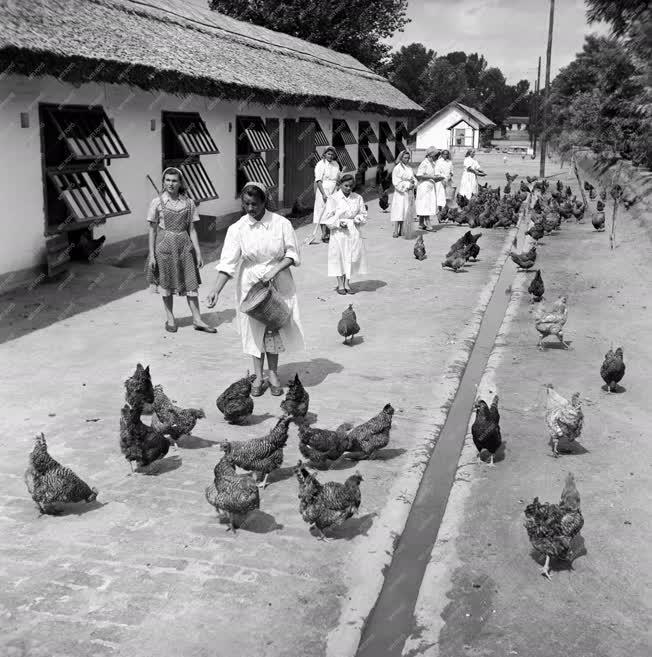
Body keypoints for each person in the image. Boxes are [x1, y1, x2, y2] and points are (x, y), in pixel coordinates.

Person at [207, 182, 304, 397]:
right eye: (246, 204)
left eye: (255, 204)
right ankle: (258, 376)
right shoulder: (237, 228)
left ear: (264, 202)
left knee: (274, 325)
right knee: (254, 330)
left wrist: (274, 271)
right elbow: (227, 263)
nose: (250, 209)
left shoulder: (281, 223)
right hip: (250, 283)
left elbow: (293, 254)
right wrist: (216, 290)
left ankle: (273, 374)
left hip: (278, 280)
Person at [145, 167, 216, 333]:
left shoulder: (188, 203)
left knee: (191, 283)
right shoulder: (157, 202)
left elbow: (192, 230)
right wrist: (152, 255)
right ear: (163, 182)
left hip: (185, 247)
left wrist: (198, 252)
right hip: (164, 248)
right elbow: (152, 230)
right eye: (168, 180)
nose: (171, 183)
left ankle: (198, 319)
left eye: (174, 180)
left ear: (180, 182)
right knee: (167, 283)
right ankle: (170, 318)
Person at [321, 173, 367, 295]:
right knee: (338, 256)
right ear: (340, 184)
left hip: (353, 230)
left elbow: (363, 213)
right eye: (346, 185)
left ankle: (347, 283)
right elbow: (327, 218)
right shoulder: (333, 199)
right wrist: (337, 224)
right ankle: (340, 284)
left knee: (351, 256)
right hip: (338, 232)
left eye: (351, 186)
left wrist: (358, 218)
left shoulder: (357, 198)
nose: (348, 188)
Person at [305, 146, 340, 245]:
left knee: (331, 211)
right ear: (324, 154)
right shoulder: (320, 164)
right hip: (323, 189)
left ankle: (330, 234)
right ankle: (324, 234)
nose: (330, 156)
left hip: (334, 190)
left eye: (332, 154)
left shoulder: (336, 164)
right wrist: (324, 194)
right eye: (329, 154)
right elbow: (318, 180)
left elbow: (337, 177)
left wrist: (338, 180)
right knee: (323, 211)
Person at [390, 149, 417, 239]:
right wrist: (407, 186)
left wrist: (413, 184)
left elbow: (413, 178)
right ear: (401, 158)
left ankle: (402, 230)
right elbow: (396, 182)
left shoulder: (409, 168)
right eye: (405, 158)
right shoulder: (397, 168)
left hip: (409, 193)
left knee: (405, 211)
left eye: (408, 158)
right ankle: (395, 230)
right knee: (398, 210)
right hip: (400, 193)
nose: (407, 160)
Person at [415, 147, 443, 230]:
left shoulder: (432, 164)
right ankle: (428, 223)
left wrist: (437, 178)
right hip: (424, 187)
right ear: (431, 155)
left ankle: (421, 223)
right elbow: (419, 175)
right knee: (425, 204)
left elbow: (431, 175)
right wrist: (431, 177)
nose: (437, 157)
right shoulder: (424, 163)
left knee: (425, 204)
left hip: (430, 186)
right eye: (436, 156)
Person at [434, 149, 454, 214]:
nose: (446, 155)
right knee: (440, 195)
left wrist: (450, 176)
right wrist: (442, 180)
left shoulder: (449, 162)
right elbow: (437, 172)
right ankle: (439, 211)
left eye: (447, 154)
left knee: (448, 196)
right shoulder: (438, 162)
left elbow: (451, 171)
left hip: (448, 180)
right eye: (444, 154)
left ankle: (446, 212)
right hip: (441, 181)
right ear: (442, 154)